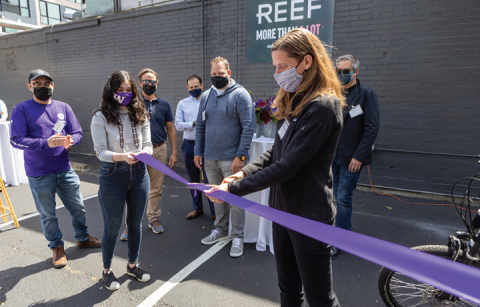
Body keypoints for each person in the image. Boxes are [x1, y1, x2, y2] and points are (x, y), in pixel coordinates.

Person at [206, 29, 344, 306]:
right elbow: (276, 152)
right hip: (283, 209)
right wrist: (243, 172)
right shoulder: (294, 100)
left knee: (320, 299)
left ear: (307, 61)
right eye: (276, 66)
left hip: (309, 217)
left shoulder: (322, 107)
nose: (278, 72)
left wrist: (231, 189)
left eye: (283, 66)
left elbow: (288, 166)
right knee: (289, 290)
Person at [10, 69, 101, 268]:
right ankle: (57, 247)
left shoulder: (63, 107)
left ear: (53, 85)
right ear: (30, 86)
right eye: (38, 84)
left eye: (47, 83)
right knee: (48, 214)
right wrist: (45, 143)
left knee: (78, 207)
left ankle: (82, 237)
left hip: (64, 169)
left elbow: (77, 132)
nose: (43, 87)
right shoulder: (21, 109)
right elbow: (16, 140)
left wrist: (71, 141)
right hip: (39, 173)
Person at [91, 70, 152, 291]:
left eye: (128, 90)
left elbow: (148, 145)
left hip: (139, 174)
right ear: (111, 91)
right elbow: (100, 152)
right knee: (112, 227)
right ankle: (107, 271)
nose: (124, 94)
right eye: (119, 90)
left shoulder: (140, 113)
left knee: (135, 225)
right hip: (112, 175)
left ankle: (133, 266)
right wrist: (122, 156)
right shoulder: (100, 116)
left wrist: (143, 153)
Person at [194, 56, 255, 258]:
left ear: (229, 73)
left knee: (236, 199)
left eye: (220, 73)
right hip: (210, 158)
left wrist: (241, 155)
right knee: (217, 197)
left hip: (232, 159)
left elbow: (248, 127)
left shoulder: (240, 95)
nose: (217, 77)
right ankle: (220, 229)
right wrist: (198, 151)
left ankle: (237, 236)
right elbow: (201, 125)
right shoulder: (205, 96)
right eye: (213, 74)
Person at [331, 54, 380, 259]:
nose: (342, 75)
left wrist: (359, 156)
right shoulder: (334, 93)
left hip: (352, 157)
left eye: (346, 71)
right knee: (334, 196)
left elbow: (371, 128)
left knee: (343, 197)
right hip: (333, 155)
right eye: (339, 71)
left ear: (356, 71)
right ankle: (343, 233)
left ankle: (340, 239)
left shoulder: (366, 94)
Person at [175, 74, 215, 220]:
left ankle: (215, 211)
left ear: (202, 86)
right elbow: (178, 125)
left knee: (210, 179)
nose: (194, 89)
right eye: (191, 87)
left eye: (196, 87)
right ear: (187, 88)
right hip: (189, 145)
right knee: (193, 180)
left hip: (207, 145)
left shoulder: (209, 101)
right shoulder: (182, 103)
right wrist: (193, 124)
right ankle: (197, 208)